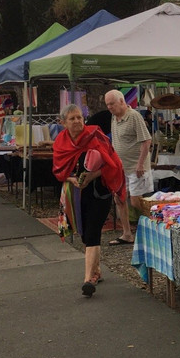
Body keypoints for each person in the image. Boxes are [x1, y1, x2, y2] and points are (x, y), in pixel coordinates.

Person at [52, 104, 126, 297]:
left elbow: (114, 163)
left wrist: (92, 176)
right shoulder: (60, 141)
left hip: (100, 192)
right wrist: (72, 179)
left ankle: (87, 280)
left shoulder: (96, 136)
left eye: (79, 117)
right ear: (63, 123)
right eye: (72, 119)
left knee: (93, 233)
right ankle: (96, 271)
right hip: (76, 195)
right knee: (85, 235)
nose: (77, 121)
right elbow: (59, 170)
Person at [105, 89, 152, 246]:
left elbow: (146, 141)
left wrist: (140, 164)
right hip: (120, 167)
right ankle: (127, 234)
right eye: (107, 105)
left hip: (136, 167)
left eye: (112, 104)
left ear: (121, 101)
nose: (109, 107)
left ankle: (155, 227)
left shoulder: (134, 117)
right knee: (119, 199)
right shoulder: (114, 117)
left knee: (136, 202)